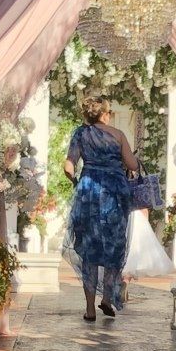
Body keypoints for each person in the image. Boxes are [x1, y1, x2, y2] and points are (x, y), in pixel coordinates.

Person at [64, 96, 138, 321]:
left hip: (89, 193)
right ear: (104, 114)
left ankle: (89, 309)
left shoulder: (80, 134)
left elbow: (68, 166)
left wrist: (77, 182)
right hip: (114, 194)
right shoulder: (118, 135)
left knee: (89, 249)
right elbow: (133, 165)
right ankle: (106, 298)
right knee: (114, 246)